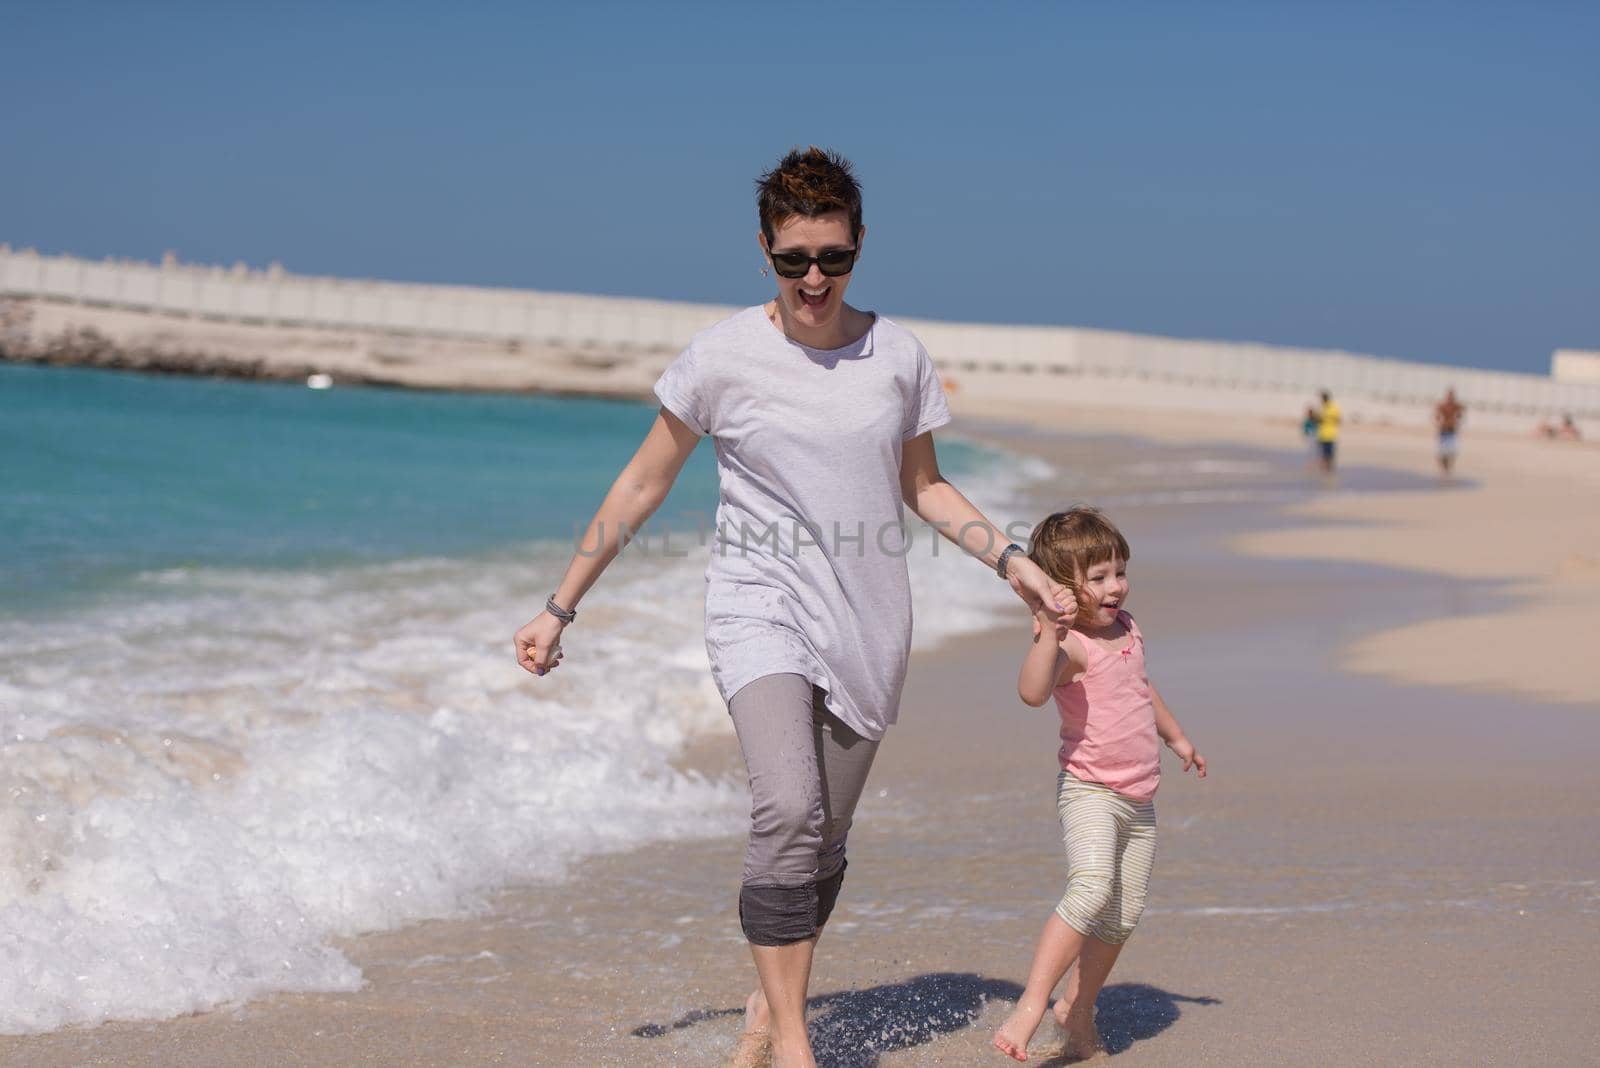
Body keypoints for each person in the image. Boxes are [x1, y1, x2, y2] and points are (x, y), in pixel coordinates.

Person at [513, 147, 1070, 1068]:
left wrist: (1014, 562)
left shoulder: (897, 355)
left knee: (823, 840)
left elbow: (924, 487)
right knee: (787, 808)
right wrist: (558, 607)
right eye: (793, 259)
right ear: (764, 249)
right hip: (756, 604)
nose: (814, 278)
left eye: (834, 258)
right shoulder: (723, 357)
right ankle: (798, 1046)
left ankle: (770, 1007)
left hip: (867, 617)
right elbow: (646, 481)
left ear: (859, 248)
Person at [993, 507, 1206, 1063]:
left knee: (1123, 911)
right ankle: (1033, 1004)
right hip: (1090, 791)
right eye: (1099, 576)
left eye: (1120, 571)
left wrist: (1176, 737)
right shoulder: (1068, 646)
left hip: (1140, 796)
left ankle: (1078, 1008)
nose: (1116, 586)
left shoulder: (1128, 628)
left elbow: (1140, 689)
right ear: (1063, 588)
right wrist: (1048, 636)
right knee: (1090, 889)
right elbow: (1032, 692)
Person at [1433, 388, 1465, 476]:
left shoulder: (1456, 405)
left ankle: (1448, 468)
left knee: (1452, 451)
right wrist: (1439, 422)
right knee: (1442, 451)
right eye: (1450, 396)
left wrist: (1456, 419)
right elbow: (1437, 415)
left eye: (1452, 396)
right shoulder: (1443, 405)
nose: (1451, 397)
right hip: (1444, 429)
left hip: (1452, 430)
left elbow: (1461, 413)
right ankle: (1444, 468)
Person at [1315, 389, 1341, 475]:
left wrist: (1325, 419)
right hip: (1322, 433)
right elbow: (1318, 419)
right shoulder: (1322, 408)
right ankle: (1325, 469)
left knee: (1329, 452)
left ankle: (1329, 468)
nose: (1321, 400)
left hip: (1330, 434)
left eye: (1322, 398)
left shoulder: (1333, 407)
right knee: (1323, 452)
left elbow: (1338, 420)